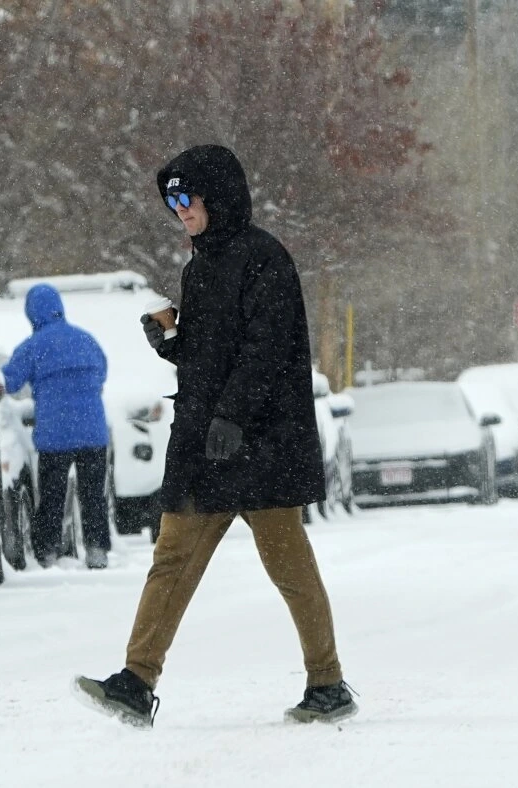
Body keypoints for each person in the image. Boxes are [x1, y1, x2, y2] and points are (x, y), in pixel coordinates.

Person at [73, 145, 356, 726]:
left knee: (288, 565)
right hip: (208, 445)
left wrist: (232, 414)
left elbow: (267, 350)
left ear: (218, 196)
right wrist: (173, 343)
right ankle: (136, 680)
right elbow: (211, 356)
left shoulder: (264, 259)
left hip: (262, 443)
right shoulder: (199, 266)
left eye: (187, 197)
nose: (178, 209)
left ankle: (327, 684)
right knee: (171, 557)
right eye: (170, 199)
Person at [2, 284, 113, 570]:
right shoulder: (86, 339)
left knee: (52, 495)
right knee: (93, 494)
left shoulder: (32, 347)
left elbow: (9, 382)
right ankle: (97, 549)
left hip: (55, 434)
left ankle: (47, 551)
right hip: (92, 431)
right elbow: (101, 371)